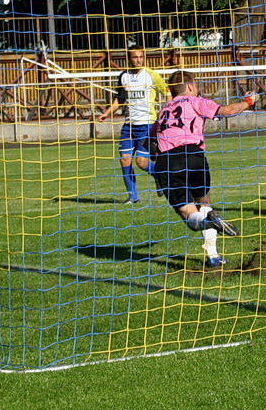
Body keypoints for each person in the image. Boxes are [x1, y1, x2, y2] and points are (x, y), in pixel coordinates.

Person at [150, 71, 255, 267]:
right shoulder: (195, 101)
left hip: (167, 162)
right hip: (194, 157)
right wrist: (248, 101)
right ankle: (213, 254)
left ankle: (209, 223)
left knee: (189, 215)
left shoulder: (163, 111)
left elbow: (150, 138)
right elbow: (228, 110)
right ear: (189, 87)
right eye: (195, 85)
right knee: (204, 202)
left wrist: (156, 166)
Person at [97, 45, 169, 204]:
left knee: (141, 162)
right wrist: (107, 113)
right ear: (129, 59)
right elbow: (120, 99)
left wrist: (167, 113)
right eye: (135, 57)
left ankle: (159, 175)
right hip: (129, 126)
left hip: (147, 125)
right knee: (124, 159)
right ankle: (133, 197)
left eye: (141, 57)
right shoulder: (124, 76)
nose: (138, 60)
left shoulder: (151, 76)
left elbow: (167, 93)